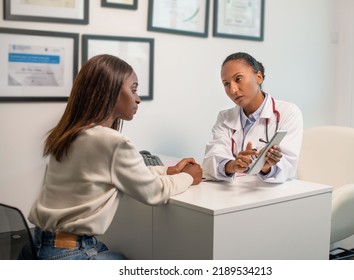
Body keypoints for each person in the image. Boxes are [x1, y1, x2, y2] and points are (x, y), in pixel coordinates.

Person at [25, 54, 203, 260]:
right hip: (70, 253)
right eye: (134, 89)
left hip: (38, 243)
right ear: (110, 91)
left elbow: (115, 174)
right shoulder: (110, 141)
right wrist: (188, 177)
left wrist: (167, 171)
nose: (138, 98)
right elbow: (154, 192)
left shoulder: (70, 134)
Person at [202, 52, 303, 183]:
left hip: (273, 193)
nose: (232, 90)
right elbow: (212, 158)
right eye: (226, 84)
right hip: (234, 193)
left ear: (259, 77)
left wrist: (266, 167)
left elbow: (288, 165)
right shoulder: (224, 118)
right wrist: (233, 166)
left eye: (238, 79)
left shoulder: (288, 112)